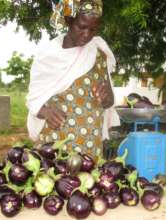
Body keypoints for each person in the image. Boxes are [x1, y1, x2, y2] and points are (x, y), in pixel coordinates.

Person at [26, 0, 120, 157]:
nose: (87, 34)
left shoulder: (98, 53)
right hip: (55, 146)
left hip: (90, 147)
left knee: (89, 181)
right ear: (69, 21)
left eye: (93, 30)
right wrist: (46, 111)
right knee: (56, 181)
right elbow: (33, 99)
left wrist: (106, 97)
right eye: (82, 27)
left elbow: (110, 101)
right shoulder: (49, 55)